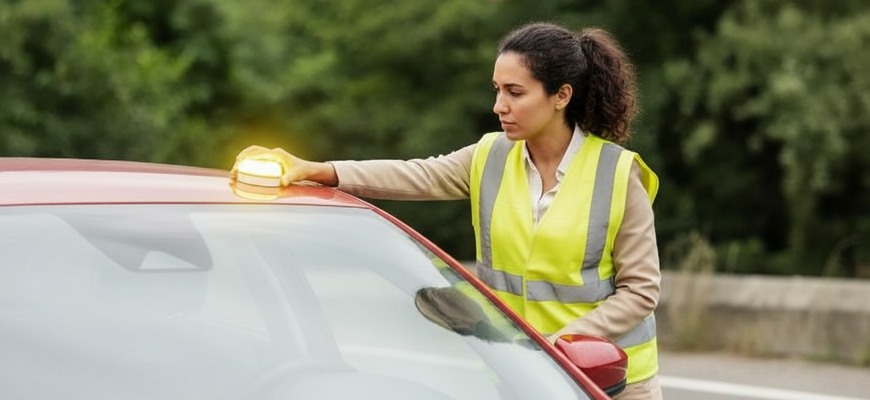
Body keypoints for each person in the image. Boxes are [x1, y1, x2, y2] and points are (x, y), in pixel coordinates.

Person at [232, 21, 663, 400]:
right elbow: (413, 174)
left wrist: (561, 345)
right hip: (524, 379)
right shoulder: (490, 156)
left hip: (610, 382)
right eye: (497, 90)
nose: (499, 106)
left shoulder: (617, 173)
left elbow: (641, 291)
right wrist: (318, 170)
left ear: (561, 96)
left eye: (515, 92)